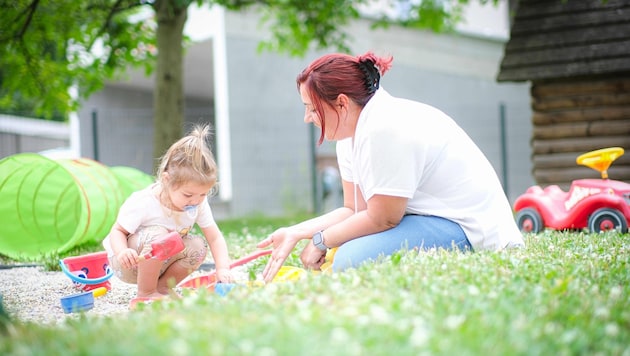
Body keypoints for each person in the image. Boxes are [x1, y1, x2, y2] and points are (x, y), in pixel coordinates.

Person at [258, 51, 524, 282]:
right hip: (428, 218)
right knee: (346, 248)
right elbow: (354, 210)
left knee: (348, 259)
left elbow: (383, 218)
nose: (307, 118)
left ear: (341, 102)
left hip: (467, 228)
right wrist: (295, 232)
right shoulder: (349, 135)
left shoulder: (385, 127)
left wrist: (321, 240)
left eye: (312, 108)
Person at [103, 124, 233, 300]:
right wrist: (122, 252)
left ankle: (162, 289)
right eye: (188, 194)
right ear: (167, 180)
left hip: (161, 263)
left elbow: (215, 238)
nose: (195, 200)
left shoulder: (198, 204)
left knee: (198, 246)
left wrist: (223, 268)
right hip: (129, 263)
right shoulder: (144, 202)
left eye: (203, 194)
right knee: (160, 234)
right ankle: (146, 292)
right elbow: (117, 231)